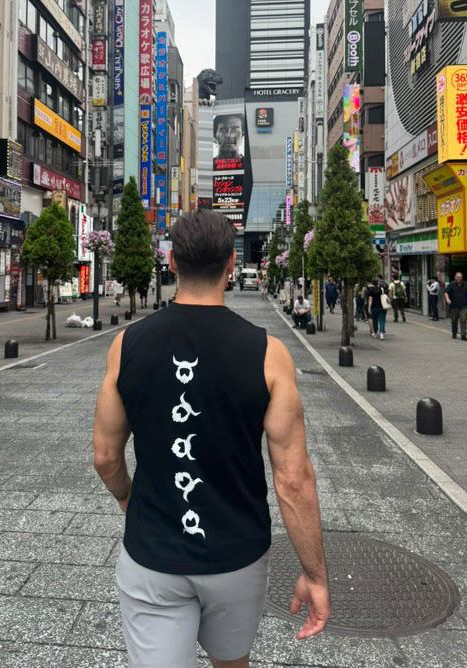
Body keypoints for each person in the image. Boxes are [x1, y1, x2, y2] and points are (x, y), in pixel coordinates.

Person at [93, 210, 331, 666]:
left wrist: (128, 497)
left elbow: (105, 456)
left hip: (153, 553)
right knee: (231, 662)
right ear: (229, 266)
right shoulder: (268, 354)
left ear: (173, 262)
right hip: (236, 554)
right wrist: (314, 573)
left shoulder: (127, 345)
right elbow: (294, 478)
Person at [445, 272, 467, 341]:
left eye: (461, 277)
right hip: (454, 306)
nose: (459, 278)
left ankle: (463, 335)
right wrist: (447, 299)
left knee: (463, 319)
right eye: (458, 277)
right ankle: (454, 333)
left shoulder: (466, 284)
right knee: (454, 320)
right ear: (455, 277)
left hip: (464, 306)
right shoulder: (451, 284)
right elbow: (446, 292)